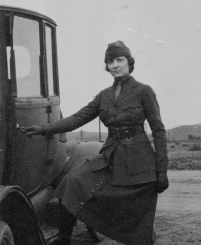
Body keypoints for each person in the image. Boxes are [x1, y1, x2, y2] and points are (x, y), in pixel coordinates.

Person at [24, 41, 169, 245]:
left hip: (138, 161)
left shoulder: (144, 91)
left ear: (129, 62)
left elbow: (159, 131)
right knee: (71, 182)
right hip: (110, 156)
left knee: (135, 214)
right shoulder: (104, 96)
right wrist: (45, 128)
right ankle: (64, 238)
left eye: (119, 60)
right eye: (110, 62)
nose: (115, 65)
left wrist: (162, 170)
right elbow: (78, 118)